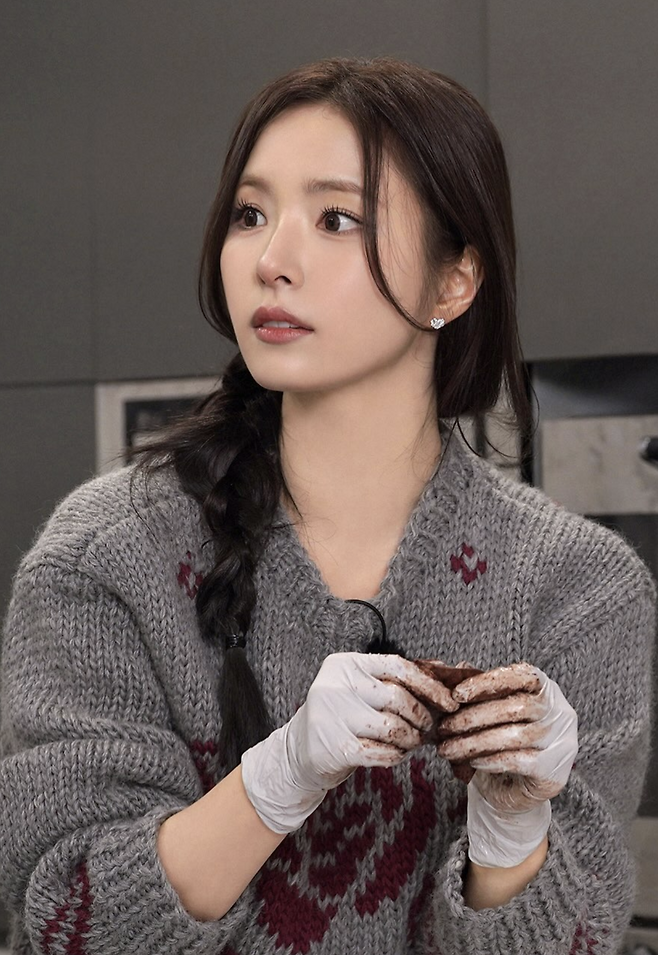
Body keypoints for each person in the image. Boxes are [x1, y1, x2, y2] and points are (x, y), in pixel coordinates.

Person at [0, 57, 654, 955]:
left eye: (336, 218)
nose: (271, 261)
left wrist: (511, 829)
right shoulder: (105, 554)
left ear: (454, 281)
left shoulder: (582, 587)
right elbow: (66, 922)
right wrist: (277, 778)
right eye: (249, 214)